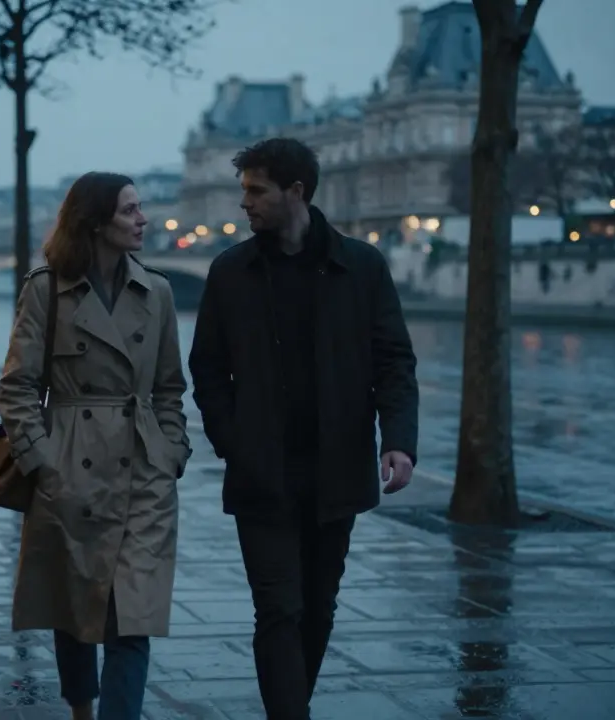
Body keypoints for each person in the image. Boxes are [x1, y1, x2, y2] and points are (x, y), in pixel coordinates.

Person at [188, 138, 419, 719]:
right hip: (261, 469)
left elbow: (394, 361)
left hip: (335, 466)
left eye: (255, 190)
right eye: (243, 190)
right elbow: (207, 369)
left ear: (296, 192)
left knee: (318, 607)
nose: (244, 203)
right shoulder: (229, 272)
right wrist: (232, 441)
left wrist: (398, 440)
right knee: (278, 609)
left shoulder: (362, 267)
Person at [0, 171, 191, 720]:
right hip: (70, 462)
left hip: (143, 468)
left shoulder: (157, 291)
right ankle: (82, 707)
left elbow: (170, 386)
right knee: (74, 602)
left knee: (134, 613)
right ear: (95, 221)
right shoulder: (45, 290)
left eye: (139, 208)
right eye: (130, 210)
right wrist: (42, 462)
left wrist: (172, 451)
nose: (143, 219)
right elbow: (16, 387)